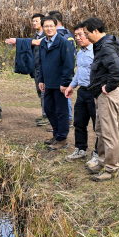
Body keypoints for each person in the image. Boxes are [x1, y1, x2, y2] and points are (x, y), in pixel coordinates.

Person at [84, 17, 119, 182]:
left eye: (87, 33)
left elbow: (117, 70)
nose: (86, 37)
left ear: (95, 31)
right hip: (101, 95)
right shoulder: (101, 46)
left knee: (109, 133)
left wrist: (107, 88)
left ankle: (112, 169)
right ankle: (102, 162)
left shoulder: (106, 47)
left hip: (108, 94)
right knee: (101, 130)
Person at [37, 16, 75, 150]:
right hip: (48, 83)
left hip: (60, 84)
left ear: (56, 27)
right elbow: (41, 63)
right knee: (48, 109)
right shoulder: (43, 43)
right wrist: (41, 79)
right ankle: (56, 134)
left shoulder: (63, 42)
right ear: (43, 28)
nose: (49, 28)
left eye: (51, 26)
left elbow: (69, 64)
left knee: (62, 111)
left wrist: (65, 82)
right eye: (46, 26)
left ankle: (62, 139)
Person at [64, 21, 98, 162]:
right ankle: (81, 149)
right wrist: (72, 85)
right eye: (76, 35)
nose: (77, 38)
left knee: (98, 125)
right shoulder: (80, 52)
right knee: (79, 122)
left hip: (94, 93)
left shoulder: (96, 51)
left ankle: (98, 153)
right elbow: (80, 72)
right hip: (82, 92)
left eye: (80, 35)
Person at [5, 13, 47, 125]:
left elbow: (39, 43)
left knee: (44, 92)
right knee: (40, 91)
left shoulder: (47, 34)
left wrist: (17, 41)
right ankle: (44, 113)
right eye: (33, 21)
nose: (34, 23)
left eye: (36, 21)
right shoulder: (36, 35)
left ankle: (47, 116)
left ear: (43, 21)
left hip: (45, 68)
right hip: (37, 67)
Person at [49, 10, 76, 126]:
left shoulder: (58, 36)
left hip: (60, 70)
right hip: (68, 68)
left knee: (63, 95)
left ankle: (67, 118)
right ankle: (67, 118)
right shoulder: (68, 32)